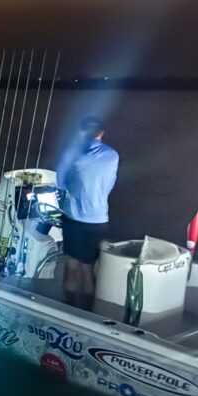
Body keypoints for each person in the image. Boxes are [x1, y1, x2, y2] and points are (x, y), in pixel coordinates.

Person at [56, 116, 119, 309]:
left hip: (73, 217)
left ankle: (68, 306)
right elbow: (110, 184)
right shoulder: (112, 156)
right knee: (88, 267)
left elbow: (61, 183)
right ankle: (88, 310)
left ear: (81, 132)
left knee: (72, 264)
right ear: (101, 133)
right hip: (99, 219)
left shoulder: (72, 153)